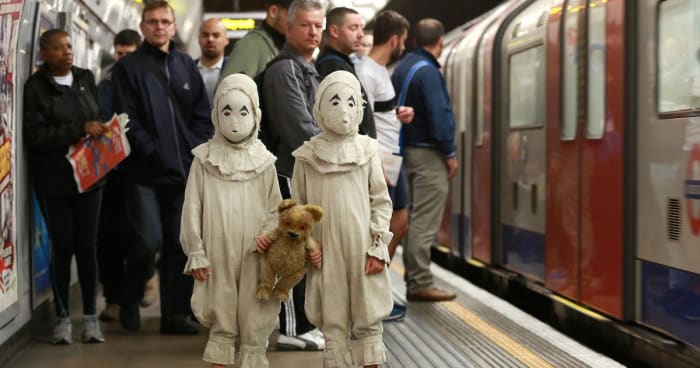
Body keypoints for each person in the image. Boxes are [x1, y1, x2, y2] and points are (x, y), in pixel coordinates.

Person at [111, 0, 213, 334]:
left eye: (165, 21)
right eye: (152, 21)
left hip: (182, 170)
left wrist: (193, 148)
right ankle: (129, 294)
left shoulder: (186, 65)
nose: (159, 27)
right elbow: (126, 118)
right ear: (143, 27)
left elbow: (202, 113)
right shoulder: (129, 68)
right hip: (143, 171)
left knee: (178, 242)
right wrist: (152, 150)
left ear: (173, 26)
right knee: (146, 239)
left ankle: (174, 315)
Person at [290, 70, 393, 368]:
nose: (343, 110)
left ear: (359, 107)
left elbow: (380, 201)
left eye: (350, 101)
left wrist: (377, 245)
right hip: (326, 252)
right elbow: (297, 210)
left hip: (363, 251)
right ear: (320, 107)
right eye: (334, 101)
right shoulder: (306, 157)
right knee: (332, 320)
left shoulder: (368, 150)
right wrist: (308, 244)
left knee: (369, 317)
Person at [180, 74, 283, 368]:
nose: (235, 119)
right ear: (215, 114)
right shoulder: (203, 160)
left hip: (257, 253)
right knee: (221, 316)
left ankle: (252, 357)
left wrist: (269, 234)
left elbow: (275, 208)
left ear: (255, 115)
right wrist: (196, 251)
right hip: (217, 252)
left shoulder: (265, 163)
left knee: (256, 314)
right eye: (227, 111)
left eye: (243, 111)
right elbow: (192, 209)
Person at [24, 28, 110, 344]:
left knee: (87, 248)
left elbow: (96, 117)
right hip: (55, 181)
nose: (67, 52)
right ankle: (61, 318)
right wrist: (79, 129)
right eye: (58, 48)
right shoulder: (36, 88)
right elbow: (34, 135)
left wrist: (103, 130)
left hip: (90, 179)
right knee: (63, 248)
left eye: (69, 46)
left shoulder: (86, 79)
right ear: (44, 53)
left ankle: (90, 318)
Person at [262, 0, 325, 351]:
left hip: (302, 172)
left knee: (303, 249)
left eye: (318, 25)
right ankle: (289, 328)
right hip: (287, 172)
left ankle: (301, 323)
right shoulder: (284, 69)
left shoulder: (306, 67)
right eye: (305, 25)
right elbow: (298, 129)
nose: (313, 31)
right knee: (291, 250)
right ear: (288, 28)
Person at [391, 18, 458, 302]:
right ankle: (420, 281)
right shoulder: (428, 72)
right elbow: (439, 115)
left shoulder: (402, 67)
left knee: (412, 216)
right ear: (440, 41)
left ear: (415, 40)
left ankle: (414, 277)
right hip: (426, 152)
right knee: (423, 220)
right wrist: (450, 152)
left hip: (405, 150)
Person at [356, 10, 413, 320]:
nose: (403, 45)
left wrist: (397, 113)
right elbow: (362, 124)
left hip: (390, 158)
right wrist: (376, 165)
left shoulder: (378, 71)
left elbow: (377, 113)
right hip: (382, 160)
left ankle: (377, 291)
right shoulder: (366, 72)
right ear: (394, 39)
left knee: (399, 222)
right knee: (390, 225)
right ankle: (372, 294)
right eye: (403, 40)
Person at [95, 28, 152, 323]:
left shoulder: (147, 83)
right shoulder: (103, 85)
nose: (122, 60)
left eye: (128, 54)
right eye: (119, 53)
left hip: (141, 169)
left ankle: (136, 286)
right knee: (109, 236)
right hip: (110, 173)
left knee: (143, 235)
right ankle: (114, 297)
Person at [316, 7, 376, 138]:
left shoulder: (340, 62)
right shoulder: (334, 66)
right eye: (354, 28)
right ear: (334, 31)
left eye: (361, 27)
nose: (361, 34)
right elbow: (343, 117)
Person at [219, 0, 290, 79]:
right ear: (273, 12)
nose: (296, 20)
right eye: (292, 14)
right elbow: (230, 88)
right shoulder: (250, 46)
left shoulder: (290, 45)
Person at [196, 18, 229, 102]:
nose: (210, 39)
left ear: (226, 40)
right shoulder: (186, 69)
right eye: (205, 35)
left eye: (216, 35)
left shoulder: (234, 70)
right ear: (199, 38)